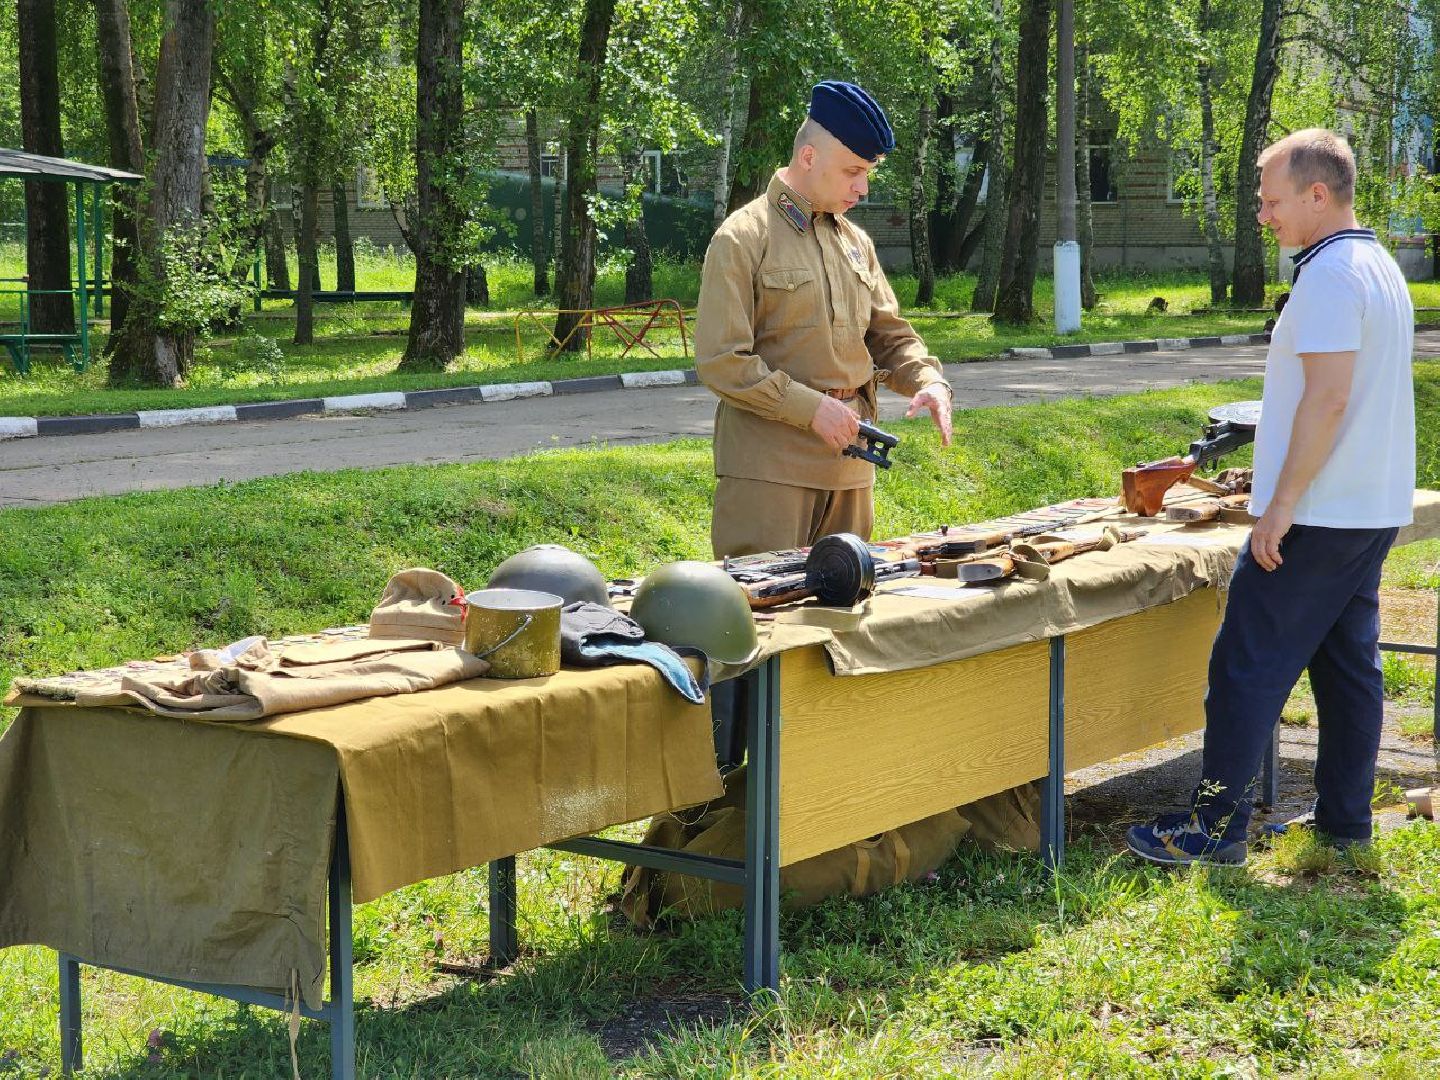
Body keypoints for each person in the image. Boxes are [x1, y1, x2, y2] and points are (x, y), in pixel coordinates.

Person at [1128, 129, 1416, 866]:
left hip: (1319, 513)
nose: (1264, 215)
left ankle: (1213, 831)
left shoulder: (1327, 276)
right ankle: (1345, 821)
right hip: (1368, 504)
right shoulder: (1378, 265)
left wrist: (1281, 503)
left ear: (1318, 195)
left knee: (1246, 664)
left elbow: (1326, 400)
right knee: (1350, 665)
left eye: (1272, 200)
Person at [694, 81, 954, 559]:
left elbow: (889, 337)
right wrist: (810, 408)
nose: (863, 187)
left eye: (869, 172)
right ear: (809, 157)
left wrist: (928, 380)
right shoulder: (744, 238)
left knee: (846, 613)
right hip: (771, 471)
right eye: (853, 171)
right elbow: (721, 360)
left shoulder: (855, 242)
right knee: (769, 618)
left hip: (850, 469)